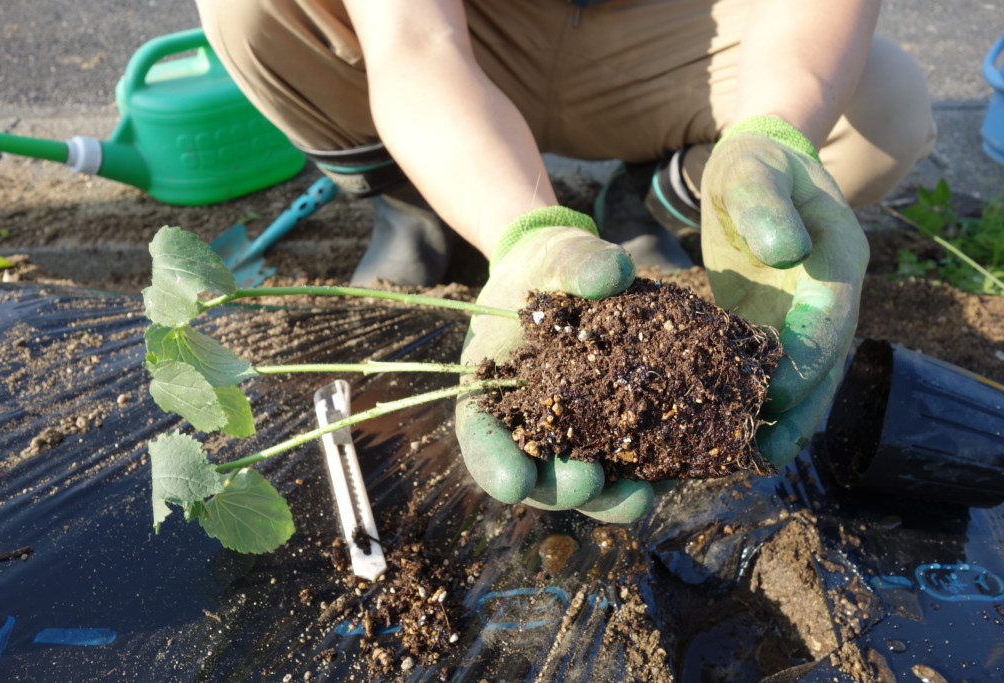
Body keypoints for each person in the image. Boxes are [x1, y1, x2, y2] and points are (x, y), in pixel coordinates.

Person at [195, 0, 935, 522]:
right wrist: (522, 229)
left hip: (661, 31)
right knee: (250, 7)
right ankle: (421, 201)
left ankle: (658, 201)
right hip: (475, 33)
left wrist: (774, 134)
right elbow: (414, 40)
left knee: (885, 104)